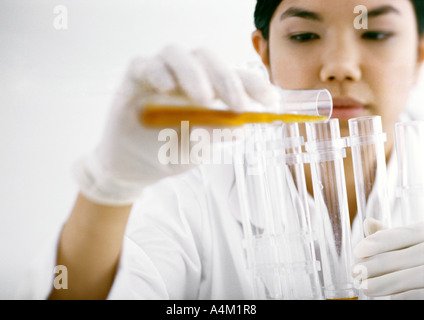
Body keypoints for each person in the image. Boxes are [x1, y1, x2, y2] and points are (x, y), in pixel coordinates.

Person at [27, 0, 424, 300]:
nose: (340, 67)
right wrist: (111, 185)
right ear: (264, 53)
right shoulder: (194, 176)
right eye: (304, 35)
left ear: (420, 53)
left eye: (375, 33)